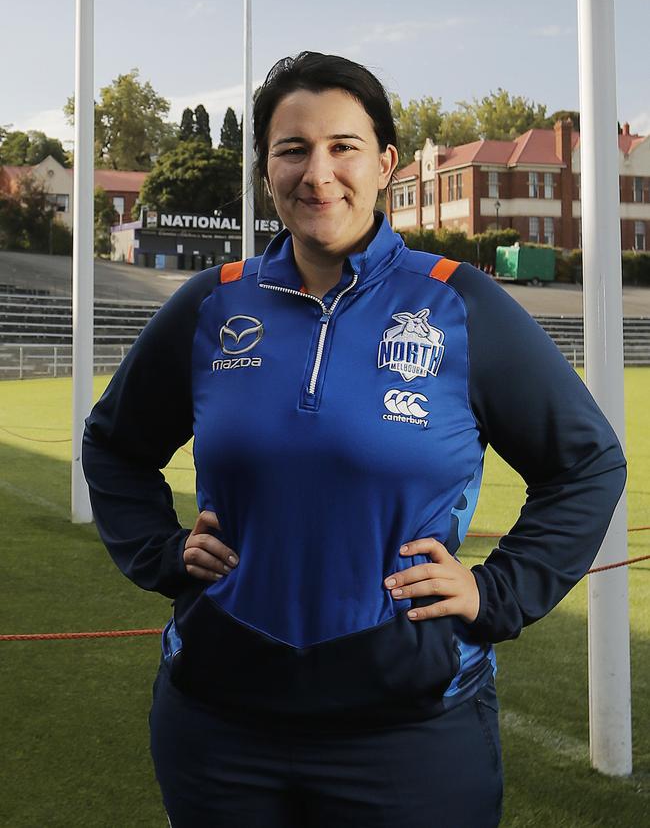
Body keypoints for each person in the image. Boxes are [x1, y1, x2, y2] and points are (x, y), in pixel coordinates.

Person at [82, 51, 626, 828]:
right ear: (266, 168)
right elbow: (113, 445)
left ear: (385, 165)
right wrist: (163, 553)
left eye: (343, 147)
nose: (318, 173)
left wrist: (498, 591)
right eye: (292, 148)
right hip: (219, 727)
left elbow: (587, 462)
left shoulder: (456, 303)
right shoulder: (213, 304)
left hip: (411, 733)